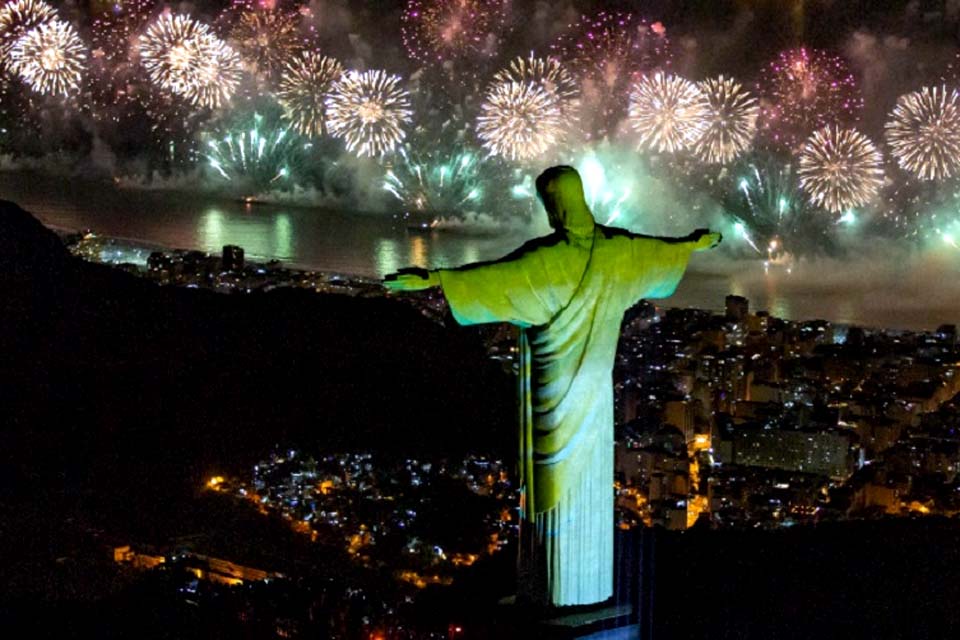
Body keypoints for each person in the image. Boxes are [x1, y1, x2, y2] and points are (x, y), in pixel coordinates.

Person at [384, 166, 720, 607]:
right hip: (596, 398)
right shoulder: (620, 251)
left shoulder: (547, 260)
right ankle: (578, 589)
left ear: (553, 205)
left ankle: (555, 593)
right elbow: (660, 253)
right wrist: (691, 245)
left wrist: (435, 279)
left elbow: (493, 278)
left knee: (549, 487)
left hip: (552, 396)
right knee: (585, 486)